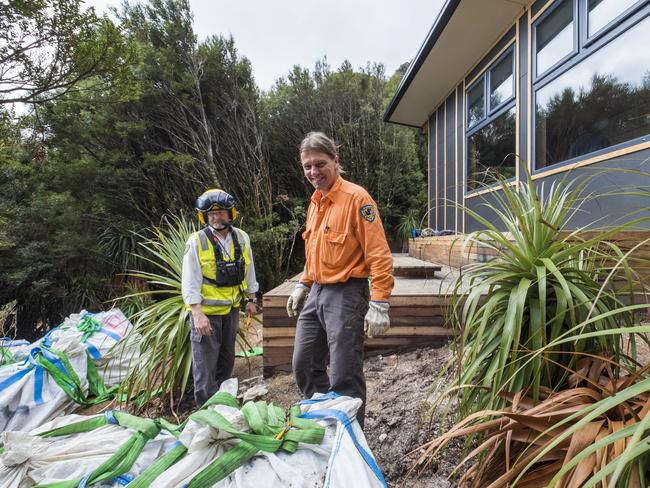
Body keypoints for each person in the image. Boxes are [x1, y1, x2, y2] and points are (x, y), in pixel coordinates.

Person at [287, 131, 394, 428]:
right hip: (317, 292)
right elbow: (314, 251)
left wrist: (380, 302)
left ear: (335, 161)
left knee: (345, 373)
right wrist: (303, 284)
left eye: (319, 164)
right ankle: (328, 421)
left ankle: (352, 439)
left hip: (347, 294)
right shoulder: (315, 202)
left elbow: (379, 254)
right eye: (307, 166)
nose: (313, 172)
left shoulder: (357, 199)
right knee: (304, 364)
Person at [182, 188, 259, 407]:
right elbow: (190, 280)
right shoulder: (197, 241)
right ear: (204, 216)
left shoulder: (242, 238)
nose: (216, 218)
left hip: (231, 311)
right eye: (211, 214)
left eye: (221, 212)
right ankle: (206, 412)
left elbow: (249, 269)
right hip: (207, 315)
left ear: (230, 213)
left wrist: (251, 299)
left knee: (226, 361)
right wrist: (197, 313)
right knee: (205, 367)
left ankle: (223, 405)